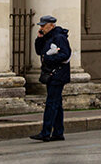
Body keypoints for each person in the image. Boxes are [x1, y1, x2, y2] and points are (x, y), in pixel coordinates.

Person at [30, 14, 71, 142]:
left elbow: (65, 54)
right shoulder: (48, 37)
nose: (42, 27)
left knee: (51, 103)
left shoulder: (59, 37)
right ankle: (58, 132)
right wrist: (39, 38)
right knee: (56, 104)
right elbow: (38, 51)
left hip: (57, 74)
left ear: (52, 25)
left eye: (44, 25)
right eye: (41, 26)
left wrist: (48, 58)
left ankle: (46, 132)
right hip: (52, 74)